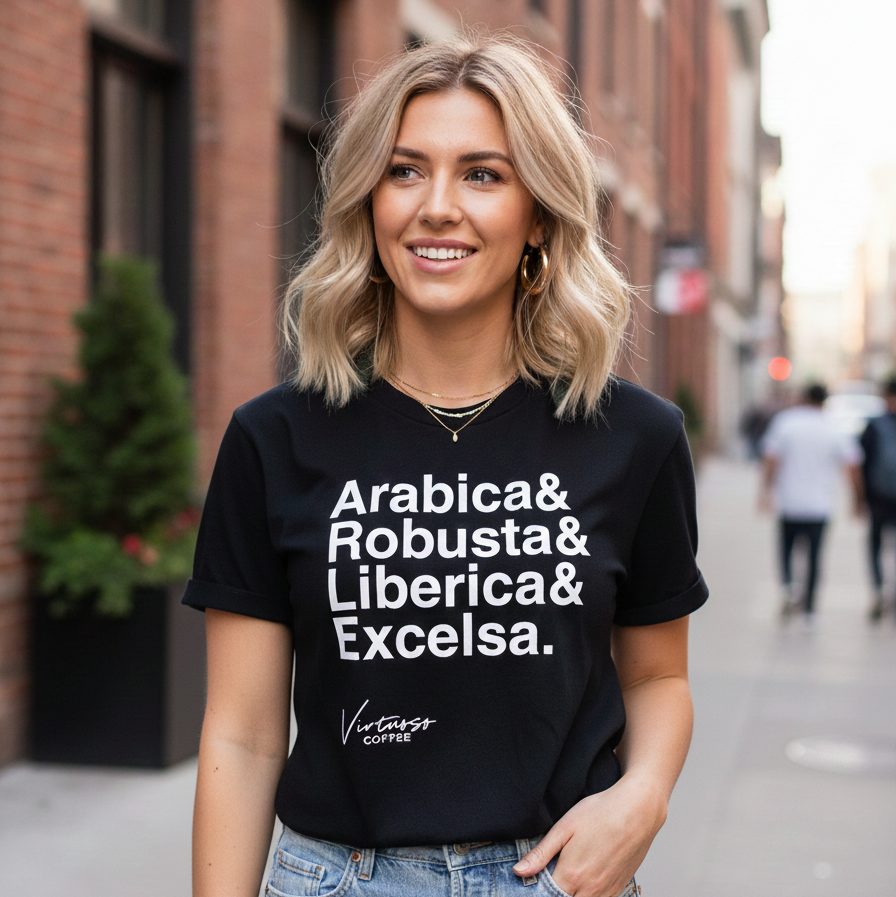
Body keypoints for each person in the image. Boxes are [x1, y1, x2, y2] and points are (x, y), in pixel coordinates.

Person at [184, 34, 708, 897]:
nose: (436, 206)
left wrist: (642, 798)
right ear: (367, 202)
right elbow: (241, 736)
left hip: (557, 877)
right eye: (404, 170)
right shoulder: (273, 439)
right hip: (337, 879)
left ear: (538, 213)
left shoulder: (635, 438)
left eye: (483, 174)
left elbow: (658, 674)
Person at [759, 383, 862, 622]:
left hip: (790, 501)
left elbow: (771, 459)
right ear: (825, 400)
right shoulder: (834, 426)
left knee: (787, 550)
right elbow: (852, 467)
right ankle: (810, 609)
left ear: (804, 398)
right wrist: (857, 500)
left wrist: (766, 492)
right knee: (815, 556)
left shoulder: (786, 422)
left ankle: (788, 587)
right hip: (820, 504)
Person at [858, 376, 896, 621]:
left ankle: (880, 587)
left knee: (875, 545)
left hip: (879, 496)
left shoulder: (874, 425)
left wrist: (860, 498)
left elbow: (862, 463)